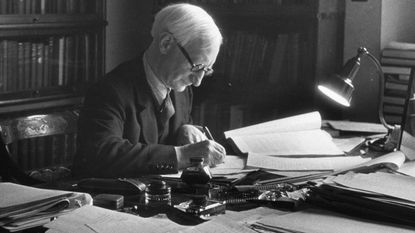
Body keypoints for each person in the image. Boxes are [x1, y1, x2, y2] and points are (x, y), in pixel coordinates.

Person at [72, 3, 226, 178]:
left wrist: (185, 129)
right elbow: (101, 155)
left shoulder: (181, 89)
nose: (197, 82)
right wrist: (182, 155)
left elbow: (163, 139)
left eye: (206, 70)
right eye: (196, 66)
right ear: (166, 43)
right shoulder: (109, 90)